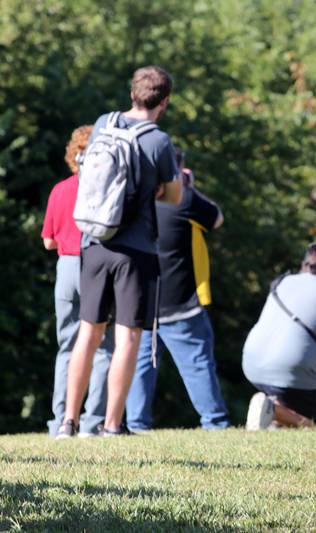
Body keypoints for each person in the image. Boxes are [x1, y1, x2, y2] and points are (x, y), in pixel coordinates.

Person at [58, 65, 183, 438]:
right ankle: (112, 423)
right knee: (128, 335)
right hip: (136, 249)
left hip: (93, 242)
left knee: (88, 332)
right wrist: (158, 188)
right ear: (163, 102)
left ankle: (69, 421)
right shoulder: (159, 140)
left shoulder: (104, 122)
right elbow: (175, 197)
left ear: (132, 93)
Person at [125, 149, 230, 431]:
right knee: (197, 365)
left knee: (138, 366)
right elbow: (217, 218)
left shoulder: (133, 198)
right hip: (180, 301)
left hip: (139, 299)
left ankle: (135, 425)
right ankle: (215, 423)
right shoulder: (183, 199)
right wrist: (188, 187)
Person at [42, 125, 114, 438]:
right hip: (94, 265)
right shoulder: (101, 188)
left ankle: (61, 420)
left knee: (67, 346)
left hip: (65, 269)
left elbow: (48, 241)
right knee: (101, 346)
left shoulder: (59, 189)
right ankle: (91, 420)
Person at [242, 244, 316, 429]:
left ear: (304, 264)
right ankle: (273, 410)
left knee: (292, 403)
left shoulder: (281, 282)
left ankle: (272, 415)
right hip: (292, 370)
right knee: (314, 426)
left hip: (252, 363)